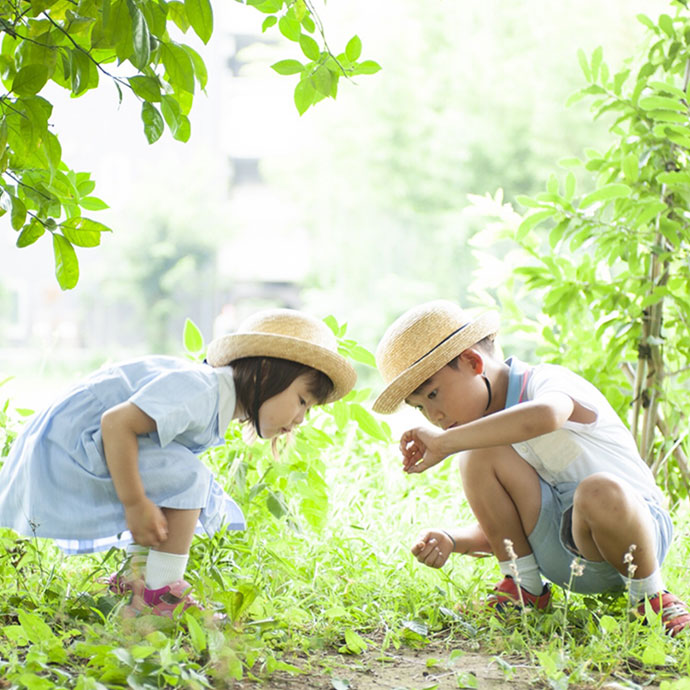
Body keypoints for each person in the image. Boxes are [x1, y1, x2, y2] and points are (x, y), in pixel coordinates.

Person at [0, 308, 356, 617]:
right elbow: (116, 422)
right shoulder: (202, 390)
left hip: (81, 445)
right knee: (187, 477)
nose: (301, 418)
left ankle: (139, 582)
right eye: (303, 401)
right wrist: (135, 503)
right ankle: (160, 594)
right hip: (67, 449)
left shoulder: (215, 398)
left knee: (181, 475)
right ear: (265, 373)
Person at [372, 299, 689, 636]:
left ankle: (651, 599)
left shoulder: (546, 382)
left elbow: (546, 416)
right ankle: (524, 589)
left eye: (433, 395)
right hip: (569, 559)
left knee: (597, 490)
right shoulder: (488, 438)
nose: (433, 416)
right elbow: (514, 526)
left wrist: (447, 442)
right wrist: (454, 539)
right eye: (420, 408)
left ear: (472, 360)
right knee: (477, 453)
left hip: (638, 542)